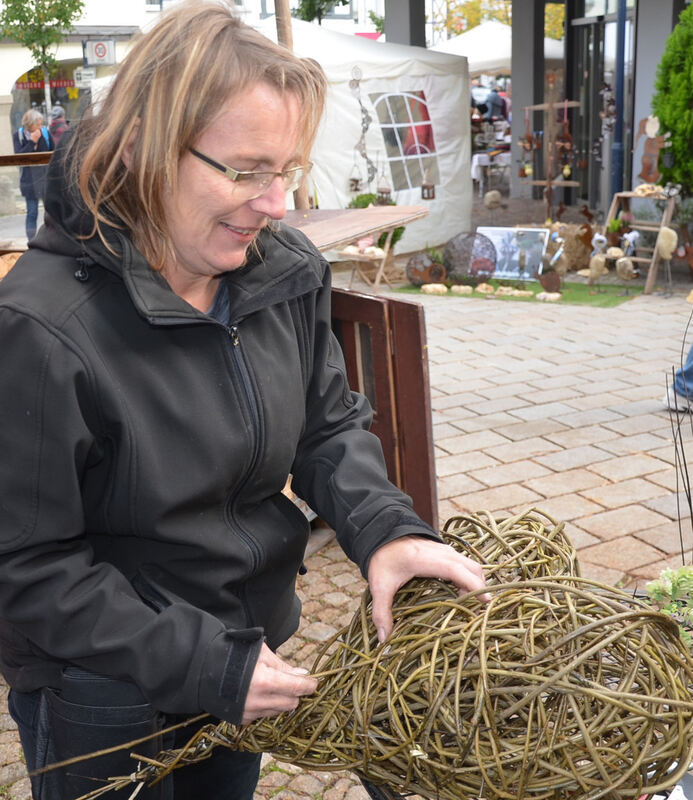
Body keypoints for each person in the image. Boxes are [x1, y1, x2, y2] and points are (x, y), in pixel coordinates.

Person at [0, 3, 488, 799]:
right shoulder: (39, 329)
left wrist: (384, 530)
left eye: (286, 170)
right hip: (105, 691)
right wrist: (195, 662)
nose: (276, 205)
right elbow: (23, 564)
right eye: (246, 170)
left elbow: (327, 426)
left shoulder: (281, 269)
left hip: (248, 652)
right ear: (141, 150)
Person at [12, 108, 54, 241]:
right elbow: (19, 157)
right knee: (32, 212)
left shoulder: (45, 133)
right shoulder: (18, 135)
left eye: (41, 123)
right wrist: (32, 142)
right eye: (37, 124)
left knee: (50, 213)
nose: (40, 127)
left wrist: (40, 139)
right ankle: (31, 241)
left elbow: (52, 153)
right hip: (28, 182)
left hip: (45, 180)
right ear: (29, 124)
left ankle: (50, 240)